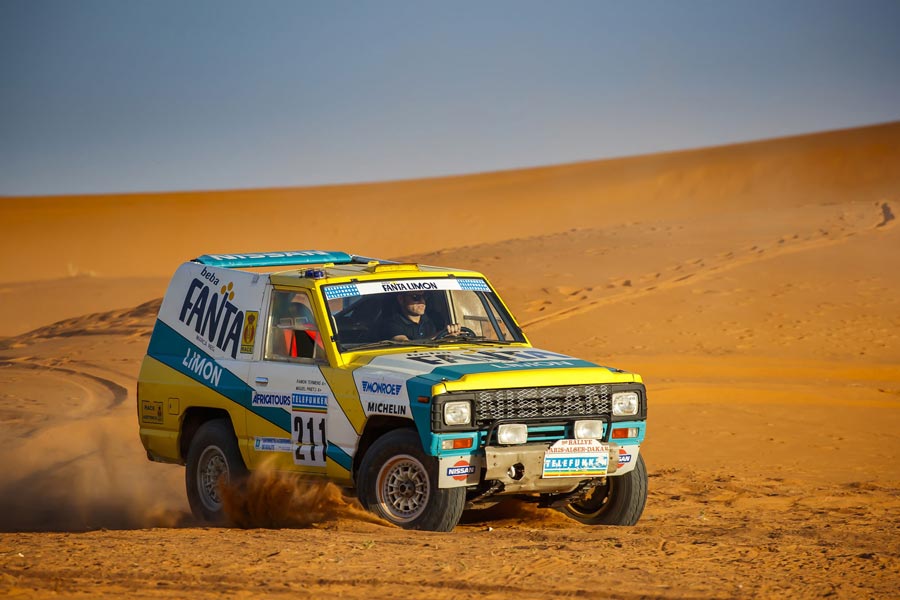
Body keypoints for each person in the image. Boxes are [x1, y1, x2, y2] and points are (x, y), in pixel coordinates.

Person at [384, 292, 461, 341]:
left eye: (425, 296)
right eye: (415, 297)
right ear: (401, 299)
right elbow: (405, 344)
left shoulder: (435, 318)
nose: (422, 301)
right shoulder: (391, 323)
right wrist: (440, 335)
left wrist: (453, 332)